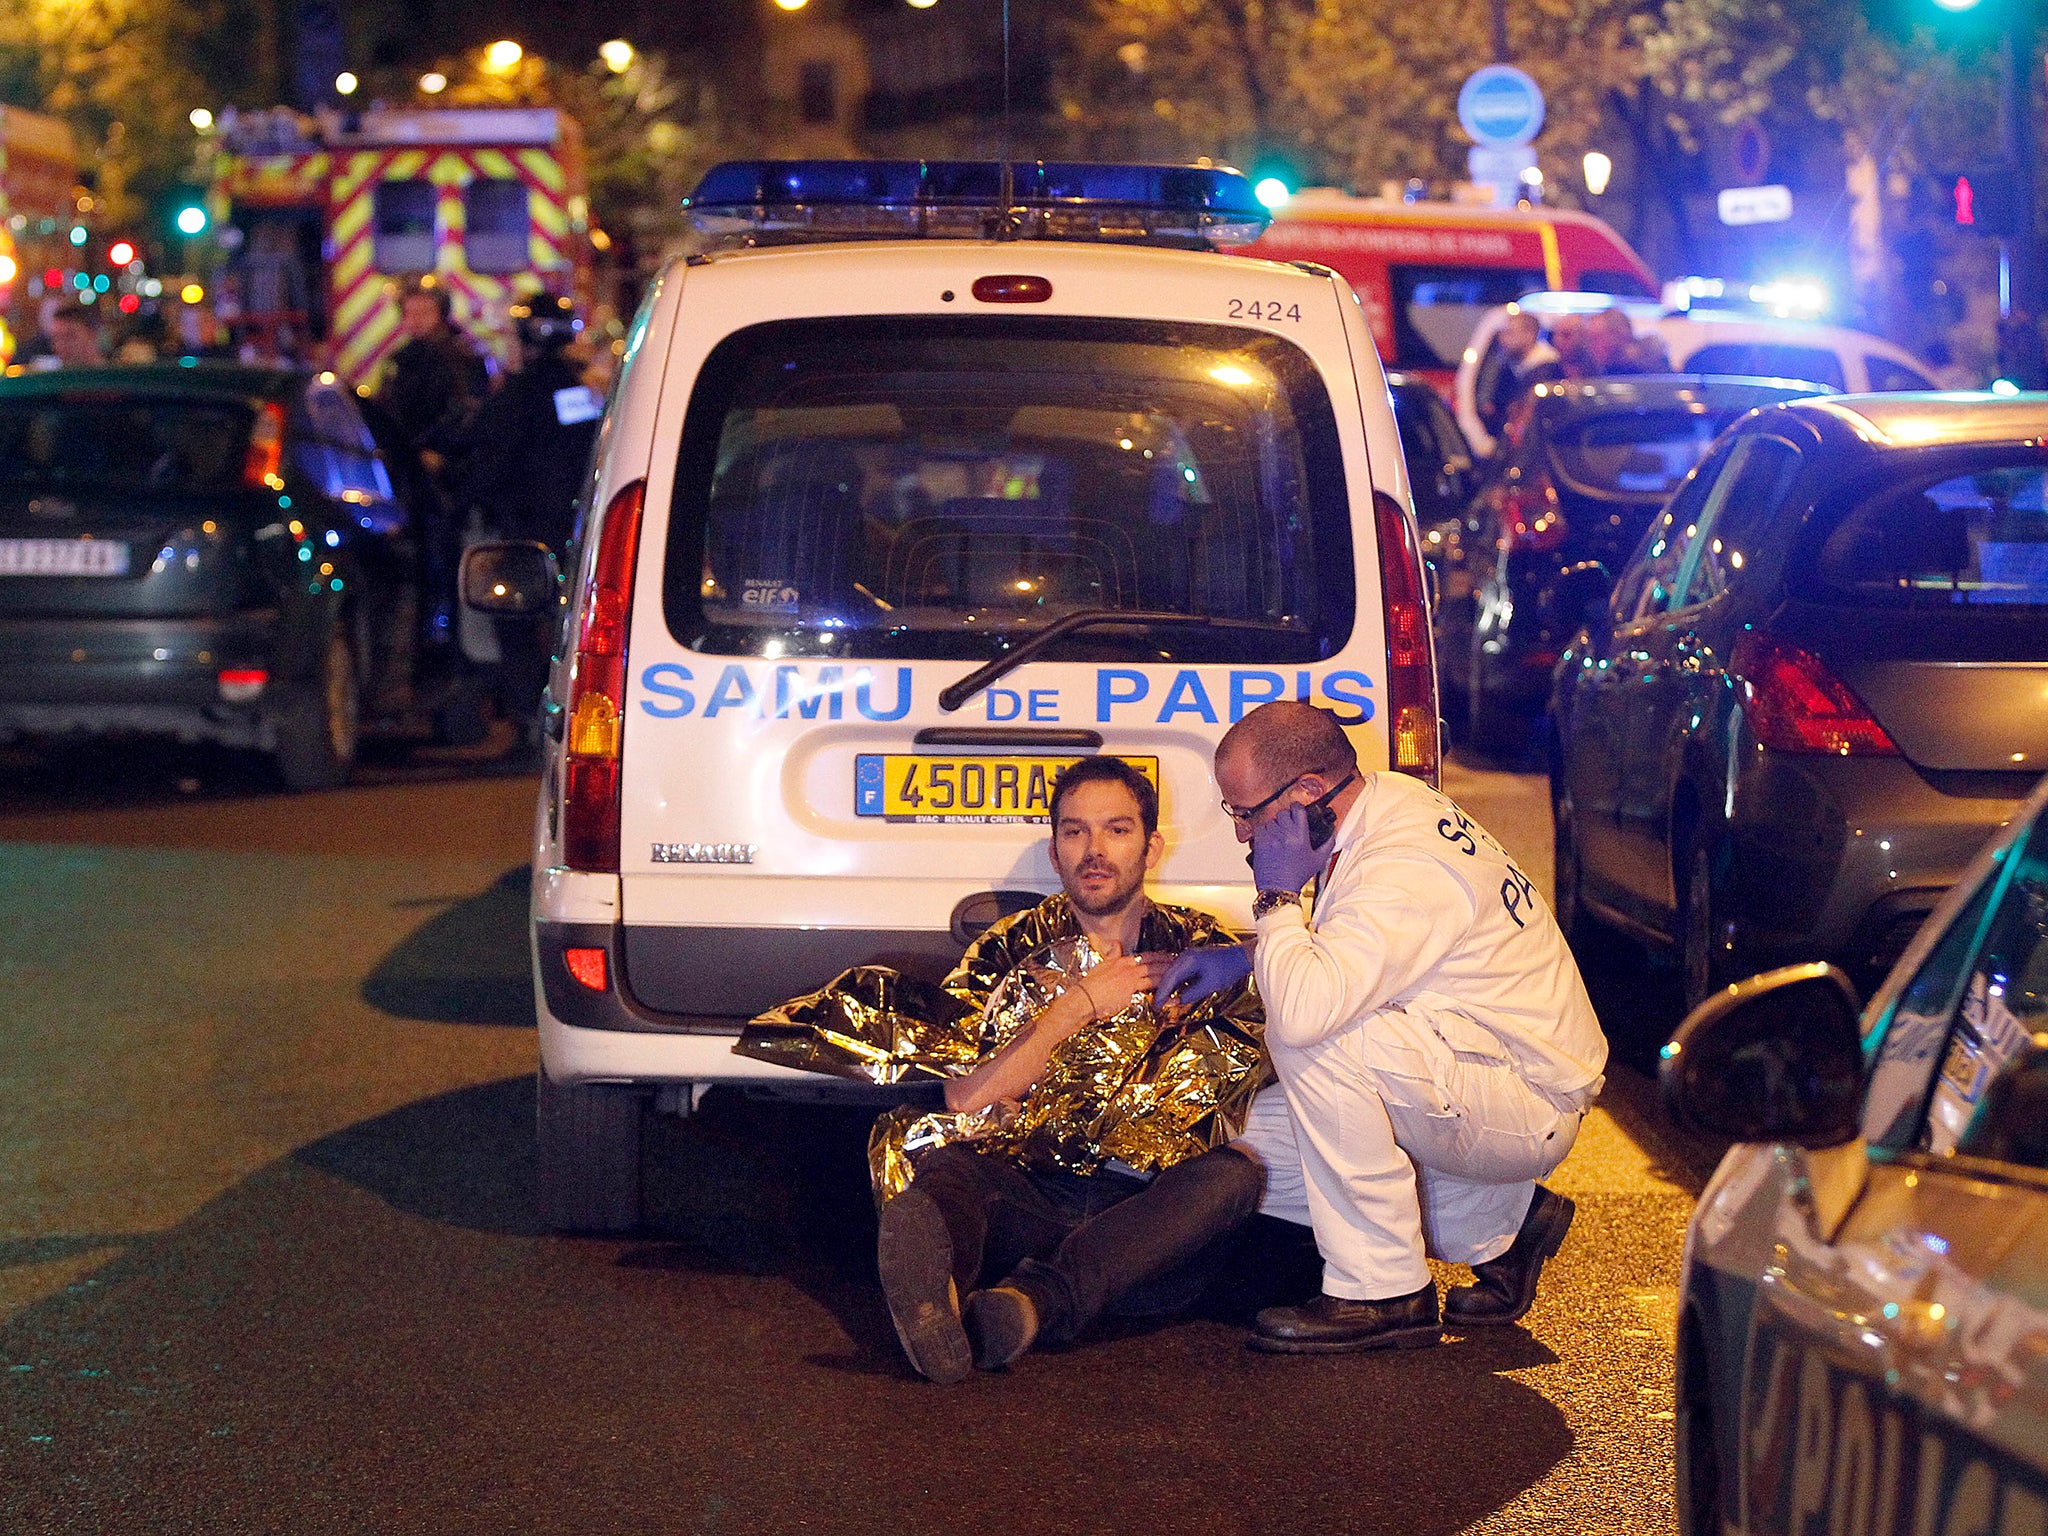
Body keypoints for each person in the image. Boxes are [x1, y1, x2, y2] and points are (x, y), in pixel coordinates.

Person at [1160, 701, 1608, 1352]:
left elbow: (1309, 1009)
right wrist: (1243, 958)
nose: (1240, 833)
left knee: (1315, 1039)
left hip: (1523, 1097)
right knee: (1254, 1142)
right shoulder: (1383, 802)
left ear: (1309, 793)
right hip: (1468, 1068)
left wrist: (1276, 898)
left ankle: (1384, 1291)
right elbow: (1360, 953)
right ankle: (1508, 1225)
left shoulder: (1404, 864)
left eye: (1245, 811)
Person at [841, 756, 1268, 1383]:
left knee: (1232, 1179)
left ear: (1151, 849)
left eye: (1117, 830)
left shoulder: (1202, 950)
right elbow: (965, 1096)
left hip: (1146, 1221)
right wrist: (1079, 1006)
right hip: (1033, 1197)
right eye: (1075, 832)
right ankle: (942, 1303)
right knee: (951, 1173)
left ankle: (1028, 1305)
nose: (1094, 850)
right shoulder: (1008, 948)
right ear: (1054, 851)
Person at [1481, 311, 1562, 437]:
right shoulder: (1508, 365)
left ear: (1530, 335)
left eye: (1510, 333)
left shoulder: (1548, 369)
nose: (1503, 340)